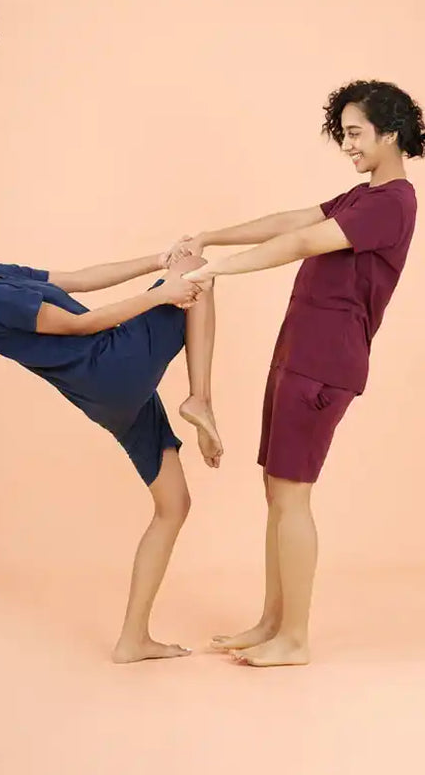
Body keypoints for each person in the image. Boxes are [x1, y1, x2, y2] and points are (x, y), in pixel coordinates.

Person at [176, 79, 424, 666]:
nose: (348, 145)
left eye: (357, 133)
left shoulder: (393, 202)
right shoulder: (365, 196)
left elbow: (301, 241)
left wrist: (216, 270)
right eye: (343, 135)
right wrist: (210, 235)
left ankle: (295, 639)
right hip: (299, 352)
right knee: (277, 492)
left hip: (325, 362)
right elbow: (290, 218)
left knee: (292, 496)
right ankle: (271, 622)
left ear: (391, 133)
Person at [0, 243, 221, 663]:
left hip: (106, 396)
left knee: (173, 505)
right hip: (112, 365)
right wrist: (161, 292)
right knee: (197, 269)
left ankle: (133, 639)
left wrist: (157, 262)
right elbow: (77, 325)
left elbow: (77, 279)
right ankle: (200, 399)